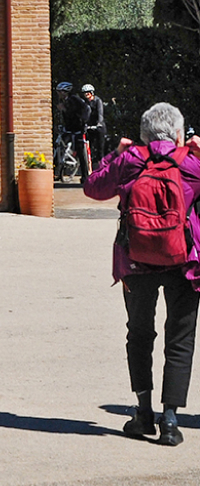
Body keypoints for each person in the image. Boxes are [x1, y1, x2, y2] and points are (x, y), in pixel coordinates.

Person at [84, 103, 200, 446]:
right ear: (178, 133)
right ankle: (171, 420)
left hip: (135, 261)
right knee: (180, 338)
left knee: (139, 334)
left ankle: (143, 412)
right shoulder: (191, 163)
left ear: (144, 135)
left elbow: (93, 187)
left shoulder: (130, 159)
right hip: (185, 262)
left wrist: (113, 154)